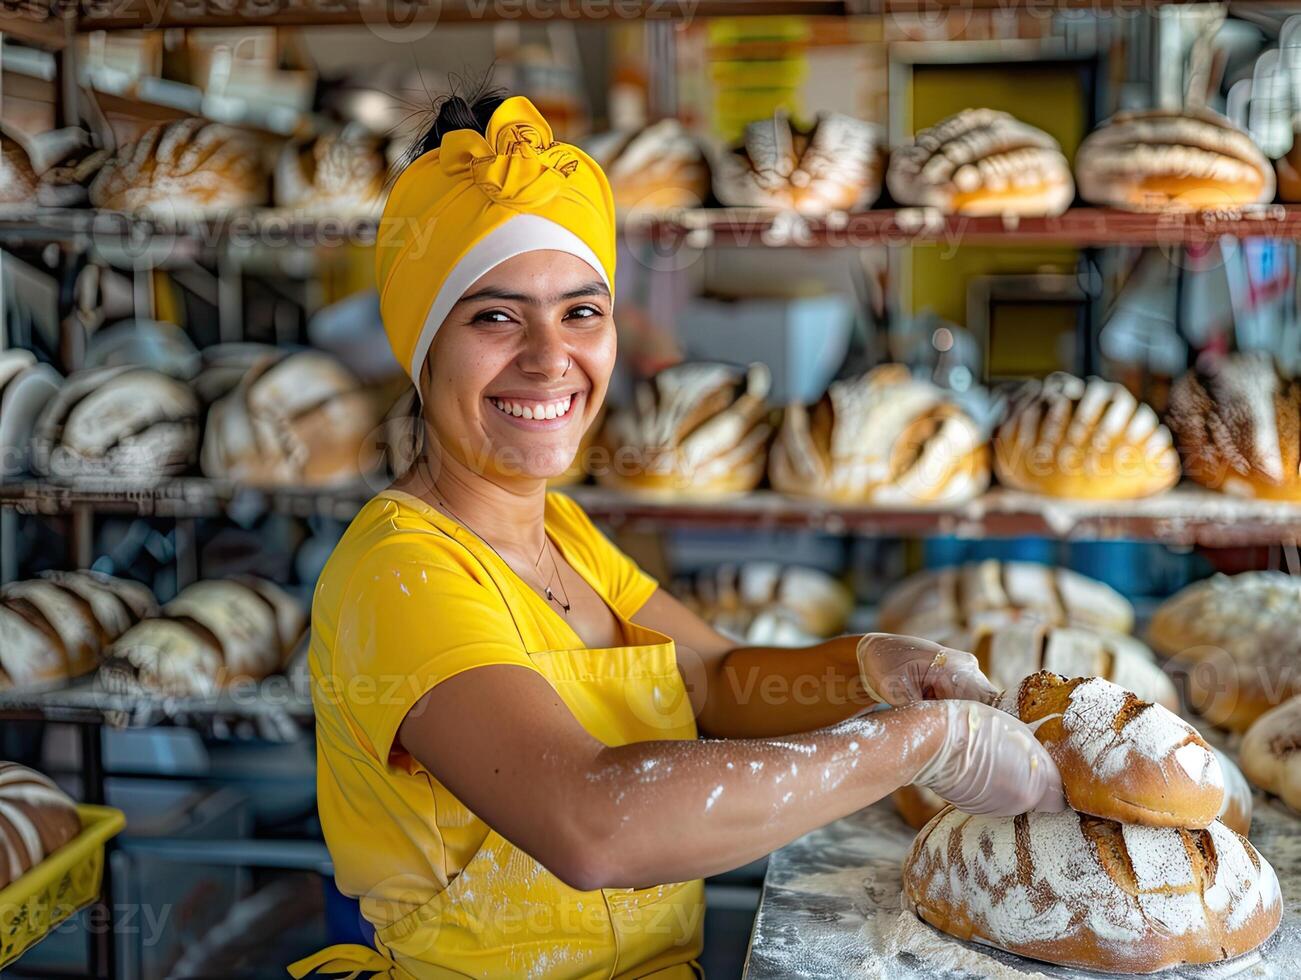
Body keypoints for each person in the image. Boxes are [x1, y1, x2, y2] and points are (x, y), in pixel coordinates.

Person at [289, 86, 1063, 980]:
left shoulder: (559, 529)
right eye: (494, 316)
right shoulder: (401, 576)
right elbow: (593, 827)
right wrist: (918, 745)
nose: (550, 358)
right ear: (420, 345)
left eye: (582, 311)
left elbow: (710, 676)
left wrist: (864, 665)